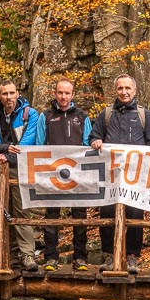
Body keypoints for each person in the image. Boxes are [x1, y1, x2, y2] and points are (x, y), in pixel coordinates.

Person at [88, 74, 150, 275]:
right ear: (116, 91)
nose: (124, 92)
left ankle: (132, 256)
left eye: (128, 88)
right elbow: (94, 136)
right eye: (120, 88)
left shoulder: (143, 114)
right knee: (107, 213)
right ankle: (110, 255)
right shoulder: (106, 114)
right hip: (110, 175)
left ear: (135, 90)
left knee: (135, 214)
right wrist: (95, 141)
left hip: (136, 175)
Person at [35, 78, 92, 272]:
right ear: (55, 94)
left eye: (67, 93)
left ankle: (80, 257)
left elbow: (87, 144)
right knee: (52, 216)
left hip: (77, 174)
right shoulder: (47, 116)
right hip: (53, 173)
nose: (63, 97)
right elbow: (39, 145)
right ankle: (51, 257)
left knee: (80, 216)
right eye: (60, 93)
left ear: (72, 95)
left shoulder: (82, 117)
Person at [0, 79, 42, 272]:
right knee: (3, 211)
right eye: (4, 94)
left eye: (11, 93)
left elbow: (28, 141)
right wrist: (3, 150)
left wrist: (7, 156)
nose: (8, 97)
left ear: (17, 93)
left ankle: (27, 254)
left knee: (21, 211)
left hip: (20, 168)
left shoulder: (30, 114)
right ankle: (10, 254)